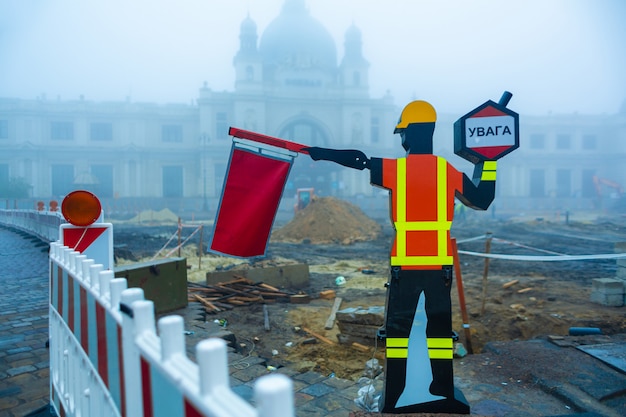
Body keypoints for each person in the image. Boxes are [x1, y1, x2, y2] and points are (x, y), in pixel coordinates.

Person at [305, 100, 496, 414]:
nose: (402, 139)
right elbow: (482, 198)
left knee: (399, 330)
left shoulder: (395, 169)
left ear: (412, 133)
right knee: (437, 329)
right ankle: (439, 390)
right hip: (439, 266)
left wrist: (323, 153)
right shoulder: (446, 170)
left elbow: (359, 160)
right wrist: (489, 160)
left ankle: (395, 396)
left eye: (403, 133)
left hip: (404, 266)